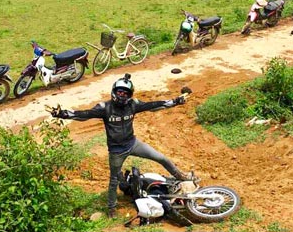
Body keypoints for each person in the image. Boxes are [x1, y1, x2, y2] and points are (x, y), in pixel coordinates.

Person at [49, 73, 193, 219]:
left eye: (126, 93)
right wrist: (63, 114)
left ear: (130, 95)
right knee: (113, 181)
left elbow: (153, 105)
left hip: (133, 144)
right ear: (114, 91)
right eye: (120, 91)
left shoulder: (133, 104)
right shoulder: (105, 108)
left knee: (161, 158)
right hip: (116, 151)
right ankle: (111, 210)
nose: (122, 95)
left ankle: (181, 176)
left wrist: (175, 101)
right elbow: (84, 114)